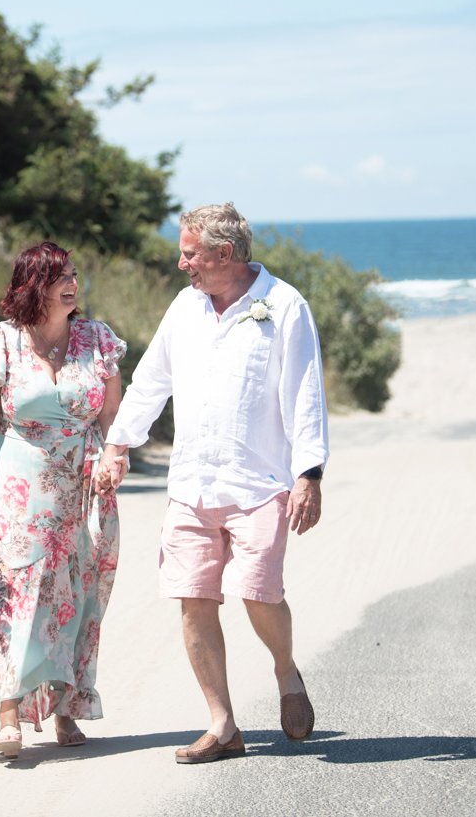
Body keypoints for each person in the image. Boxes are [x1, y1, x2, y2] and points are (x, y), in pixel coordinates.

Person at [94, 202, 328, 765]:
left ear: (226, 254)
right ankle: (223, 726)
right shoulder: (185, 307)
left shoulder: (284, 306)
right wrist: (119, 443)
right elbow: (151, 379)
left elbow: (304, 393)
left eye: (190, 253)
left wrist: (309, 473)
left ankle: (284, 668)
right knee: (194, 600)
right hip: (191, 483)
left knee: (258, 592)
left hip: (260, 482)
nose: (181, 264)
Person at [0, 241, 127, 759]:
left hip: (84, 483)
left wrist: (113, 458)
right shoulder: (3, 341)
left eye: (75, 275)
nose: (73, 284)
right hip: (20, 479)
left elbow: (114, 420)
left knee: (78, 592)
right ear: (31, 285)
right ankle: (7, 707)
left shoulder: (97, 339)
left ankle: (66, 703)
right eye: (60, 276)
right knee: (15, 589)